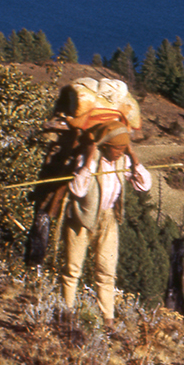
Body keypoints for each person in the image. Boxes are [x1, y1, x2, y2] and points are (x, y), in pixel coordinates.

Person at [59, 121, 152, 323]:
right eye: (116, 148)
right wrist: (89, 160)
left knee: (106, 270)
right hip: (81, 217)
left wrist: (134, 157)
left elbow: (144, 185)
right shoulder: (90, 159)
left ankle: (107, 318)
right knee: (72, 268)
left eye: (123, 148)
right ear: (106, 146)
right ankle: (66, 314)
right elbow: (77, 190)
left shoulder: (122, 161)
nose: (120, 152)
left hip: (108, 218)